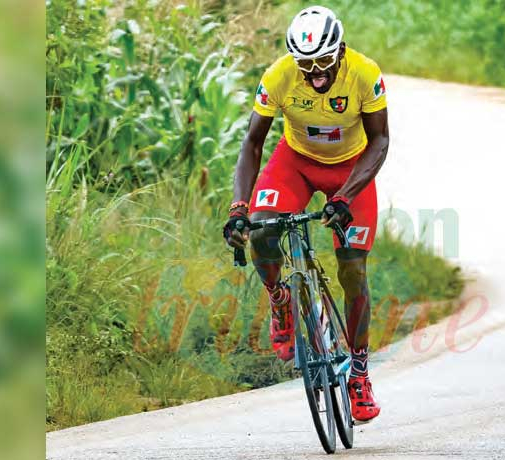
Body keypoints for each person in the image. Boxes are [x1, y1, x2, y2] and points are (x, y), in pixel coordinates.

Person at [222, 5, 389, 423]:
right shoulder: (279, 75)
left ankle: (360, 375)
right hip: (295, 161)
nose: (316, 73)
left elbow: (380, 141)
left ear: (341, 52)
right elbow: (252, 143)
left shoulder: (365, 74)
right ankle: (280, 299)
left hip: (352, 170)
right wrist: (239, 207)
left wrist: (345, 198)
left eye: (324, 63)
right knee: (260, 229)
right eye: (306, 65)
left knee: (353, 271)